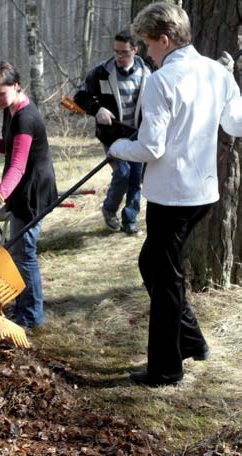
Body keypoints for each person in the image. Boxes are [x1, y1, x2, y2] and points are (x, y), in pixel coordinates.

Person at [108, 2, 241, 386]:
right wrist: (227, 81)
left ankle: (166, 370)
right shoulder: (216, 73)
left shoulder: (161, 81)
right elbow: (235, 124)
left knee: (164, 279)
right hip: (203, 193)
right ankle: (192, 340)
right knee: (154, 265)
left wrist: (117, 147)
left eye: (148, 45)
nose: (146, 53)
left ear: (164, 40)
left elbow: (151, 149)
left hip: (172, 197)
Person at [0, 61, 58, 330]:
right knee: (18, 250)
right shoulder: (11, 110)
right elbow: (9, 149)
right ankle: (23, 307)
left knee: (24, 252)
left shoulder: (25, 118)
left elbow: (19, 165)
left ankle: (32, 315)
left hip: (33, 190)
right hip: (20, 187)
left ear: (16, 85)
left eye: (0, 94)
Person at [74, 30, 152, 235]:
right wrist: (97, 109)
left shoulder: (149, 71)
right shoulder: (100, 72)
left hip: (138, 134)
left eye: (124, 52)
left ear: (135, 50)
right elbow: (80, 97)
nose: (119, 57)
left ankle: (130, 219)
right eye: (116, 52)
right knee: (123, 173)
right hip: (112, 136)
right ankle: (109, 209)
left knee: (136, 176)